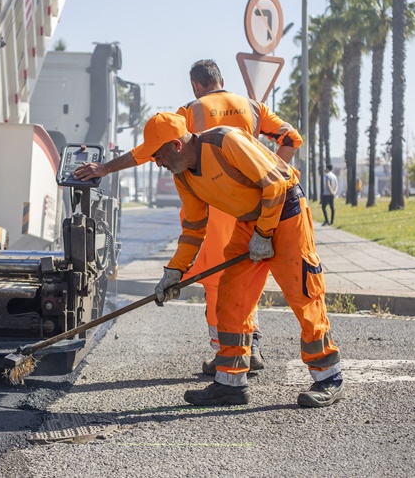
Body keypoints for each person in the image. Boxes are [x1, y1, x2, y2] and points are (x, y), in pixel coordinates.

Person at [73, 60, 303, 375]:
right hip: (257, 205)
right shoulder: (253, 107)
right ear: (221, 80)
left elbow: (151, 150)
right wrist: (271, 171)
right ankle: (252, 344)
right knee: (247, 276)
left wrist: (104, 168)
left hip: (212, 205)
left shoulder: (190, 111)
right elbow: (292, 139)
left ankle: (227, 352)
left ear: (196, 85)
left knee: (216, 283)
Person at [143, 112, 343, 408]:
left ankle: (329, 377)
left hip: (285, 212)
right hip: (249, 221)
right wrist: (175, 272)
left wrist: (265, 234)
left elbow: (275, 184)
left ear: (175, 145)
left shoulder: (226, 141)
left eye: (157, 155)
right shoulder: (183, 176)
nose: (157, 162)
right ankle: (230, 383)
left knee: (304, 294)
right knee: (231, 295)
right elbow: (194, 228)